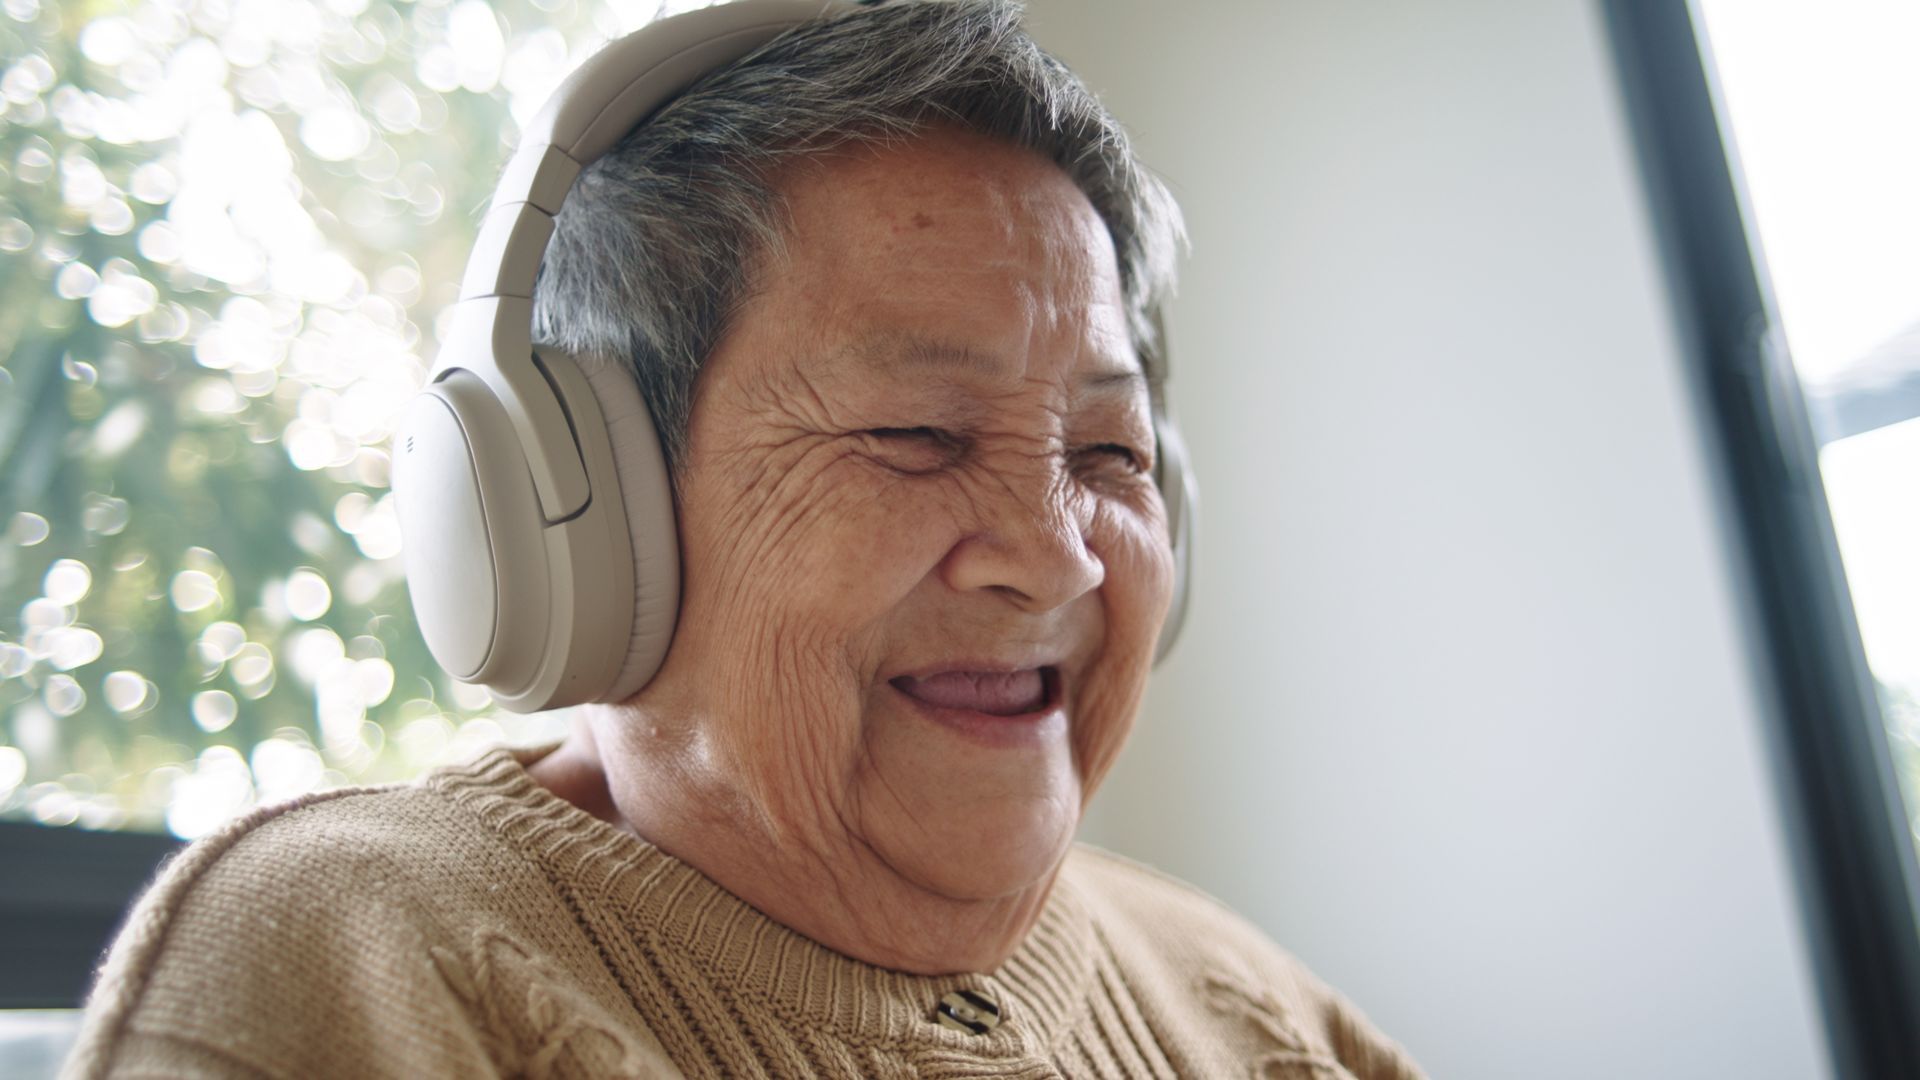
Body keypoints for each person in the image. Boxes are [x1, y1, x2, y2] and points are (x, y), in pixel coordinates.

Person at [64, 2, 1425, 1076]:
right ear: (583, 513)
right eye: (916, 437)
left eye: (1108, 455)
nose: (1056, 554)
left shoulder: (1245, 1006)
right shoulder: (343, 964)